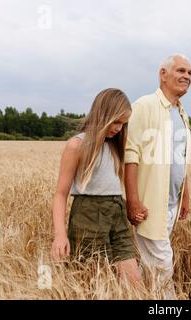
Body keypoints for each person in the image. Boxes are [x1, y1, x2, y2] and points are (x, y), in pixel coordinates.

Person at [51, 88, 141, 285]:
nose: (119, 128)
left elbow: (112, 184)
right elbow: (60, 194)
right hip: (88, 217)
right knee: (94, 286)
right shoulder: (77, 145)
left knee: (136, 286)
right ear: (103, 114)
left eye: (123, 123)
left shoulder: (115, 145)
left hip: (117, 217)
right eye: (116, 121)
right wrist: (60, 235)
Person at [124, 54, 191, 299]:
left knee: (152, 266)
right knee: (163, 265)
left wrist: (185, 196)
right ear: (163, 74)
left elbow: (181, 159)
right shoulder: (144, 106)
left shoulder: (181, 114)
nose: (186, 76)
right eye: (181, 71)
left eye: (190, 73)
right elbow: (130, 154)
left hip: (172, 205)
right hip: (149, 206)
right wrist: (132, 201)